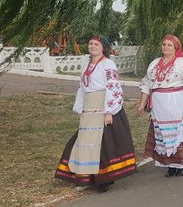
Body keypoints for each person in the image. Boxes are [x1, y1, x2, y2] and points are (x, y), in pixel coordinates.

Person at [54, 34, 136, 193]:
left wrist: (109, 112)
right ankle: (88, 176)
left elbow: (113, 87)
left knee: (102, 142)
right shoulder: (86, 64)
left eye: (96, 44)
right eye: (91, 44)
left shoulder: (108, 64)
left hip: (103, 104)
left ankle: (104, 179)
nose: (92, 47)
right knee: (86, 140)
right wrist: (80, 107)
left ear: (103, 47)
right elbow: (82, 87)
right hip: (89, 106)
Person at [137, 35, 183, 177]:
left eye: (169, 45)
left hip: (176, 101)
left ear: (176, 47)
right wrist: (141, 103)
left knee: (177, 134)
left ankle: (180, 164)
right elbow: (146, 84)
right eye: (164, 44)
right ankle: (169, 165)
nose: (166, 47)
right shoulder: (154, 63)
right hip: (159, 104)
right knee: (162, 134)